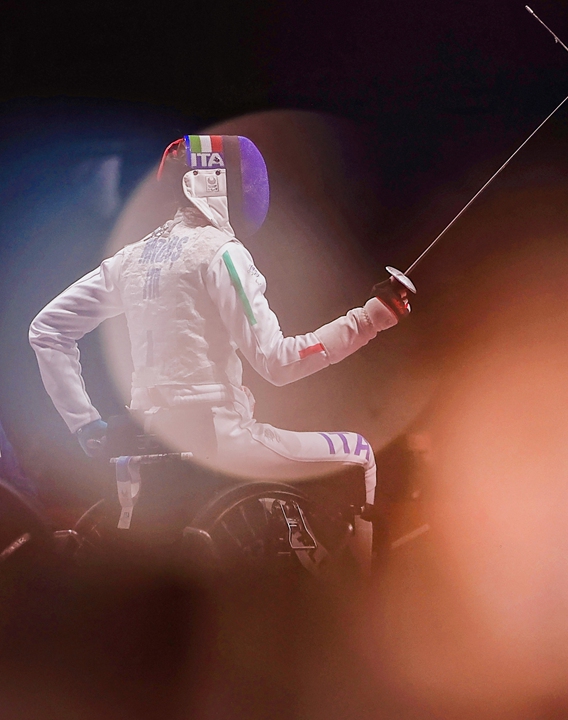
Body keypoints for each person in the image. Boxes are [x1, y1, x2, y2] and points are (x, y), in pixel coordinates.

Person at [28, 134, 411, 561]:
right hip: (218, 440)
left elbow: (47, 329)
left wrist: (87, 427)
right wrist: (371, 318)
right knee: (359, 455)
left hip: (140, 450)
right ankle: (363, 606)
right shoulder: (220, 253)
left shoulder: (131, 260)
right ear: (210, 184)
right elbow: (278, 362)